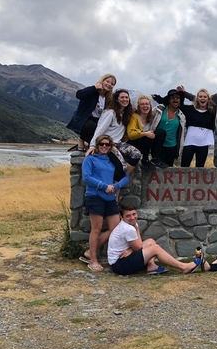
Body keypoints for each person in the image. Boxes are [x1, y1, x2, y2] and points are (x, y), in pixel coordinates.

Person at [108, 203, 202, 275]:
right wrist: (133, 246)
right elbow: (138, 247)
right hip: (119, 265)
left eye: (134, 214)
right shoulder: (127, 228)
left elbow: (138, 245)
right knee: (155, 248)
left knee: (150, 241)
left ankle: (151, 266)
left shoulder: (131, 224)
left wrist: (130, 249)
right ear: (121, 217)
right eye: (128, 216)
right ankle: (183, 267)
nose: (132, 218)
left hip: (122, 259)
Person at [81, 135, 130, 272]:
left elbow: (125, 176)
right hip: (95, 196)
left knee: (115, 228)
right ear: (97, 145)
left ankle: (90, 251)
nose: (104, 146)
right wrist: (104, 186)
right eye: (101, 144)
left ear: (110, 147)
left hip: (110, 198)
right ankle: (93, 260)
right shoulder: (89, 159)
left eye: (107, 145)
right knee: (96, 229)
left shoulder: (112, 160)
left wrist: (116, 186)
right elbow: (87, 177)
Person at [87, 89, 142, 175]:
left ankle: (123, 179)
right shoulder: (110, 113)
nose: (125, 99)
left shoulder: (125, 114)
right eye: (122, 97)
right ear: (117, 99)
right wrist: (93, 146)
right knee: (122, 166)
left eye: (126, 97)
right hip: (108, 144)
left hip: (119, 143)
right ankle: (115, 183)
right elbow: (100, 129)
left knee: (136, 154)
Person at [67, 74, 116, 151]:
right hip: (85, 120)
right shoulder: (92, 91)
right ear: (102, 81)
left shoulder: (109, 98)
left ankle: (91, 146)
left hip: (99, 121)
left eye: (112, 84)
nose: (109, 84)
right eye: (108, 81)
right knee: (92, 126)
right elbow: (79, 95)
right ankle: (82, 140)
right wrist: (94, 87)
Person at [126, 95, 167, 171]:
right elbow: (131, 134)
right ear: (138, 106)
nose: (145, 106)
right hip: (133, 143)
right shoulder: (134, 117)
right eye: (142, 104)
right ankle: (145, 159)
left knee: (161, 132)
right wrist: (144, 133)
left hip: (146, 143)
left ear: (150, 106)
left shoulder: (151, 117)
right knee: (148, 135)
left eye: (147, 104)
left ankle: (155, 158)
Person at [150, 88, 188, 168]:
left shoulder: (182, 116)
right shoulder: (159, 110)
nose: (175, 99)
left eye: (177, 98)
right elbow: (147, 116)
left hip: (172, 146)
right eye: (172, 98)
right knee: (157, 169)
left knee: (168, 169)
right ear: (168, 100)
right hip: (159, 145)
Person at [180, 88, 215, 167]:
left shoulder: (212, 112)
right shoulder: (190, 110)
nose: (202, 98)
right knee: (184, 166)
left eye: (205, 97)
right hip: (189, 142)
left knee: (200, 168)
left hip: (203, 143)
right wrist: (182, 93)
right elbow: (179, 105)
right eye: (200, 96)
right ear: (197, 99)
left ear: (208, 99)